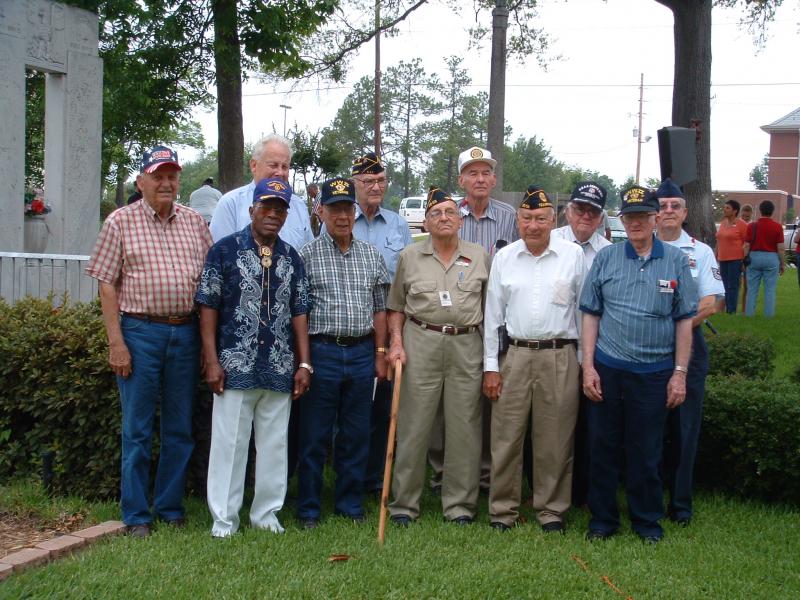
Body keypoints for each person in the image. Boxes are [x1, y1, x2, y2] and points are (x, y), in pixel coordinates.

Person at [86, 145, 213, 538]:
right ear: (142, 181)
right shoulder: (119, 222)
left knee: (178, 427)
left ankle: (170, 507)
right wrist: (116, 343)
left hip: (185, 332)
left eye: (172, 176)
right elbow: (106, 283)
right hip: (139, 332)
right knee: (137, 429)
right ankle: (137, 514)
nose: (166, 183)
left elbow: (210, 282)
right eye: (158, 176)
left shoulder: (194, 222)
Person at [580, 185, 697, 544]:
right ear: (622, 220)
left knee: (646, 451)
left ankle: (647, 521)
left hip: (654, 373)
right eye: (629, 217)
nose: (635, 223)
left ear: (655, 218)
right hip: (609, 369)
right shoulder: (606, 259)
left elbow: (684, 320)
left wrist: (679, 374)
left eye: (643, 216)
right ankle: (602, 521)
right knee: (602, 447)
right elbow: (590, 314)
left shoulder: (676, 260)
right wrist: (588, 367)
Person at [195, 178, 310, 538]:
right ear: (252, 210)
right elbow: (208, 306)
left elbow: (300, 312)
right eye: (267, 207)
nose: (273, 215)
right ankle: (224, 520)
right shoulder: (225, 251)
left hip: (278, 364)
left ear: (286, 214)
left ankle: (266, 515)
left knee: (274, 446)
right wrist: (211, 359)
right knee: (229, 445)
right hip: (234, 364)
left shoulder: (292, 257)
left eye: (280, 209)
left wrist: (304, 363)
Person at [483, 186, 585, 533]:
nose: (534, 225)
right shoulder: (504, 258)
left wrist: (586, 365)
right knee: (506, 436)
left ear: (553, 220)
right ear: (518, 221)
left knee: (555, 439)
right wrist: (491, 368)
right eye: (527, 218)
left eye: (541, 218)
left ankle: (551, 510)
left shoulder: (573, 256)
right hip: (516, 354)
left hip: (560, 356)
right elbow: (492, 318)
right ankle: (502, 510)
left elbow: (585, 314)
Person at [387, 187, 490, 526]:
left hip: (466, 345)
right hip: (422, 342)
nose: (443, 218)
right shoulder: (410, 257)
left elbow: (491, 310)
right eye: (436, 214)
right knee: (414, 425)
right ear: (425, 223)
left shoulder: (479, 256)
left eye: (449, 212)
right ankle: (404, 504)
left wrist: (491, 360)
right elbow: (396, 308)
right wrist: (396, 343)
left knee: (465, 426)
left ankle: (459, 505)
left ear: (460, 219)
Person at [296, 177, 390, 529]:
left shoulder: (371, 255)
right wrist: (304, 359)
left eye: (347, 208)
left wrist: (381, 352)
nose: (342, 215)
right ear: (320, 212)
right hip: (323, 352)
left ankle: (350, 504)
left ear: (355, 212)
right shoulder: (306, 255)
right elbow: (299, 312)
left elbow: (380, 308)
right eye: (334, 208)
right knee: (315, 435)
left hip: (363, 352)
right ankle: (308, 507)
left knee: (356, 433)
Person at [427, 146, 518, 493]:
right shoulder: (447, 212)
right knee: (442, 402)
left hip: (492, 323)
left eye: (486, 173)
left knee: (483, 399)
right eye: (473, 173)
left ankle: (481, 474)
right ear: (461, 179)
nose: (480, 179)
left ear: (494, 179)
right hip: (450, 317)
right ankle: (441, 471)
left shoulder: (509, 217)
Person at [655, 179, 724, 526]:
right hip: (646, 349)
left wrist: (674, 328)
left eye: (674, 206)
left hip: (689, 347)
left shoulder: (701, 251)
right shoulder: (641, 248)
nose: (668, 211)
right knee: (649, 424)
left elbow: (710, 303)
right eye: (662, 205)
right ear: (654, 213)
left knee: (685, 427)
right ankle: (648, 494)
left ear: (684, 213)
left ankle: (680, 503)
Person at [346, 151, 412, 495]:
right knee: (352, 407)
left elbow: (405, 276)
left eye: (381, 180)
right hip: (352, 322)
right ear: (355, 183)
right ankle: (349, 476)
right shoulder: (342, 216)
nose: (375, 186)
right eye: (368, 181)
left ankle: (374, 478)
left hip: (388, 321)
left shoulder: (397, 223)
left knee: (383, 407)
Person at [552, 181, 612, 507]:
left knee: (589, 426)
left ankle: (582, 492)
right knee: (552, 424)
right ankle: (546, 489)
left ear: (601, 218)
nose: (584, 216)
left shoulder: (608, 253)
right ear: (567, 211)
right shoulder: (549, 242)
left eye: (592, 211)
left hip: (595, 351)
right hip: (556, 347)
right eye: (579, 209)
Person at [209, 134, 313, 250]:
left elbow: (308, 255)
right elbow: (220, 252)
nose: (280, 172)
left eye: (285, 167)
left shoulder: (299, 206)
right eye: (273, 165)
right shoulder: (231, 203)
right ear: (254, 165)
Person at [743, 200, 785, 317]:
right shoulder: (777, 227)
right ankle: (768, 315)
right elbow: (780, 248)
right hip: (771, 258)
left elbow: (746, 245)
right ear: (772, 212)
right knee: (770, 289)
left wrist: (745, 259)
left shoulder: (752, 226)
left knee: (752, 289)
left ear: (760, 211)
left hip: (754, 257)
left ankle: (749, 314)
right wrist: (782, 263)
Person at [715, 199, 748, 313]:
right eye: (724, 207)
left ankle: (731, 310)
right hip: (722, 258)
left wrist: (743, 260)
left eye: (727, 208)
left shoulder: (742, 224)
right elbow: (719, 240)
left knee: (732, 286)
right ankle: (725, 309)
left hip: (735, 259)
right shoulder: (723, 223)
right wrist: (716, 255)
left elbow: (746, 243)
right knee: (723, 286)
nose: (724, 209)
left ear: (735, 211)